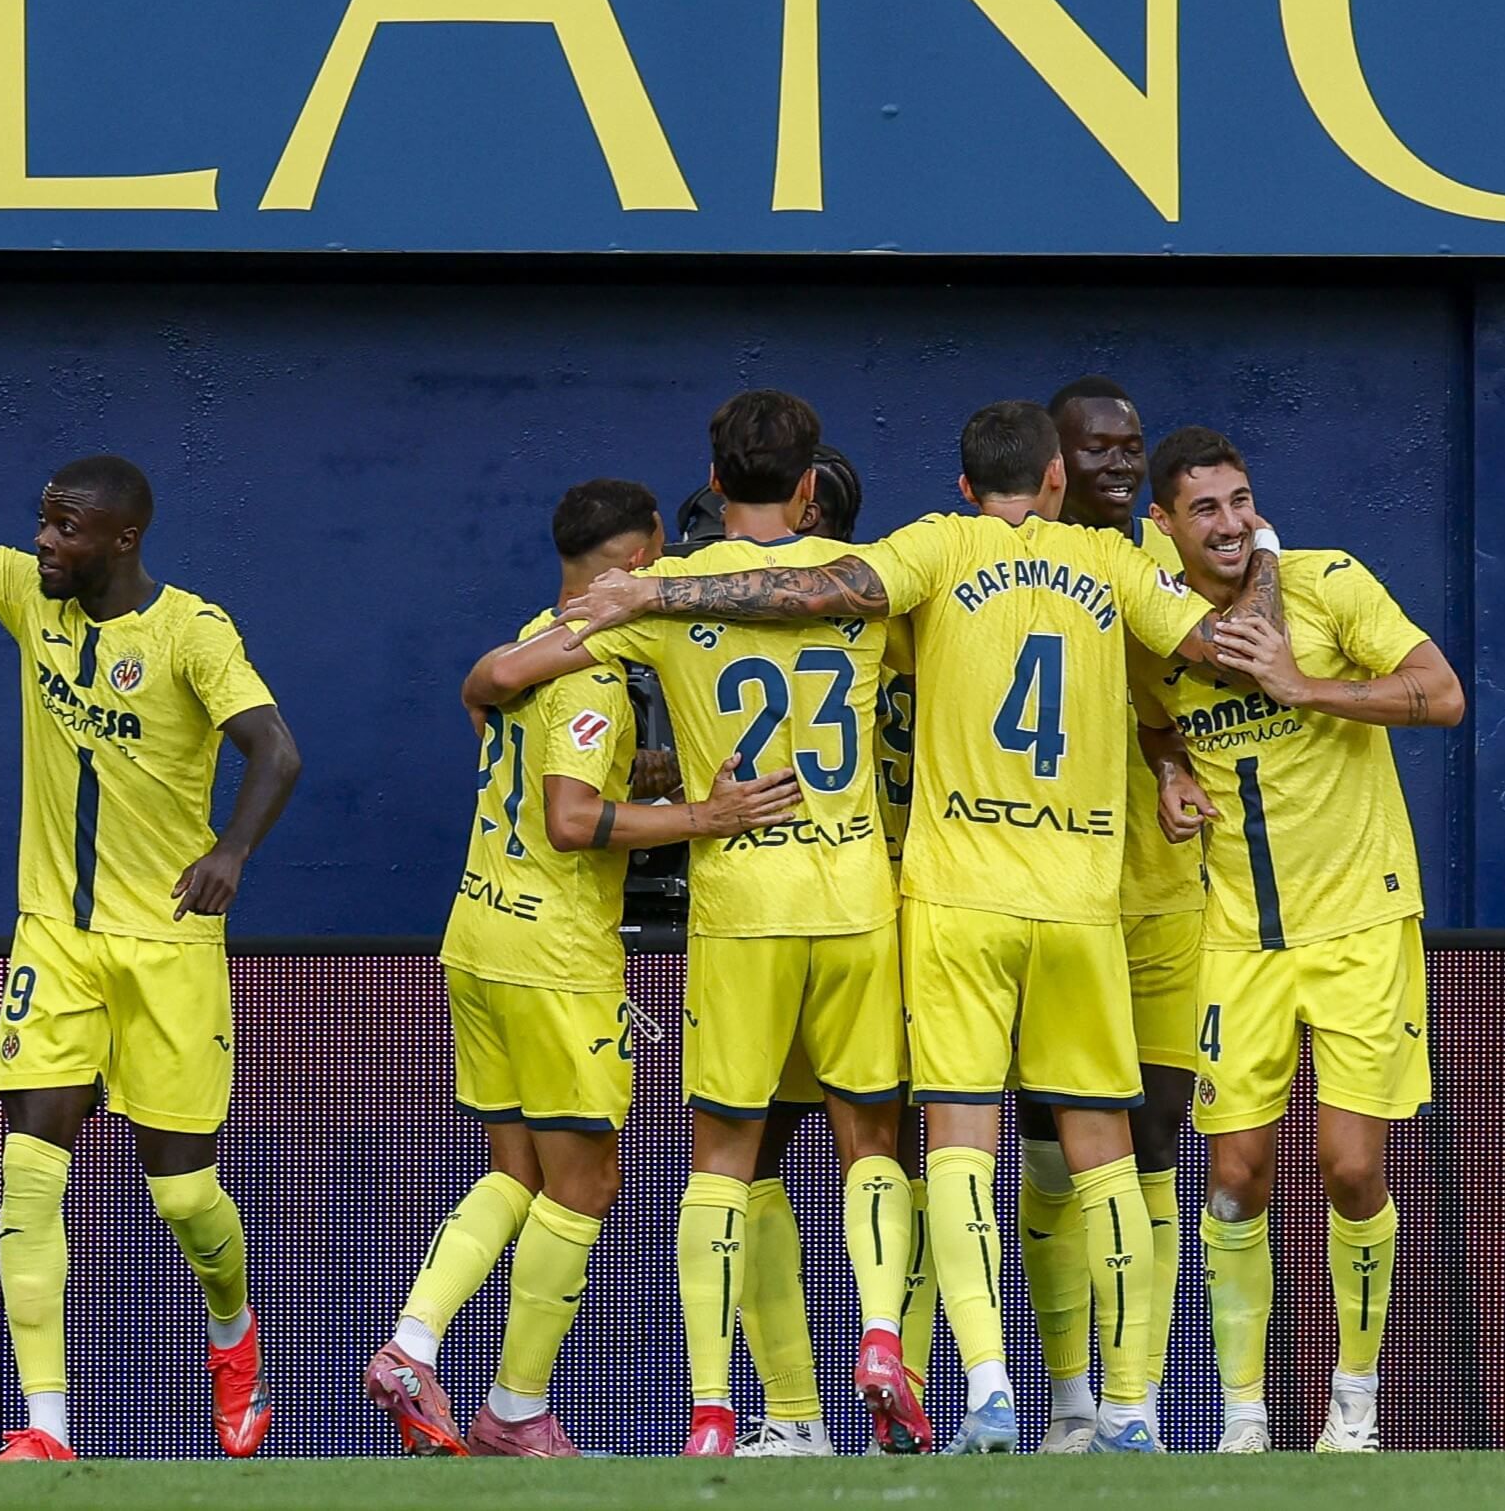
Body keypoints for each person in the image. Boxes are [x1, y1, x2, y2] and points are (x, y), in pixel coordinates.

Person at [561, 399, 1264, 1454]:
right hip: (1075, 899)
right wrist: (1258, 555)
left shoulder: (932, 550)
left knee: (955, 1146)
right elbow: (1225, 643)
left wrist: (655, 588)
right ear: (1058, 479)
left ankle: (982, 1387)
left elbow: (813, 589)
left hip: (941, 899)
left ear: (964, 485)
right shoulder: (1113, 564)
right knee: (1104, 1155)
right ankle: (1129, 1410)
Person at [0, 299, 305, 1463]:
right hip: (54, 938)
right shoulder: (26, 598)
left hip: (167, 945)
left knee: (183, 1200)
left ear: (120, 539)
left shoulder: (194, 633)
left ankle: (233, 1330)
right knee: (28, 1175)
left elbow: (275, 750)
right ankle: (46, 1427)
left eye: (64, 528)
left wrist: (230, 852)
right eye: (42, 523)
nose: (42, 541)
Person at [466, 392, 924, 1457]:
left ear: (714, 484)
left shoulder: (658, 593)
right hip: (855, 895)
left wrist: (483, 689)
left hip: (742, 903)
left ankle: (717, 1410)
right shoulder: (866, 583)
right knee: (872, 1143)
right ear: (810, 486)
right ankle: (881, 1337)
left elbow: (506, 672)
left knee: (724, 1157)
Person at [363, 480, 800, 1457]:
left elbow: (505, 727)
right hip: (554, 956)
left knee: (516, 1172)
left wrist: (639, 779)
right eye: (662, 556)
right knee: (588, 1181)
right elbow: (568, 820)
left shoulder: (530, 642)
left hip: (477, 934)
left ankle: (414, 1343)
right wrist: (703, 817)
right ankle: (513, 1409)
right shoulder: (600, 672)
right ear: (636, 561)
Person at [1132, 426, 1465, 1454]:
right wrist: (1168, 772)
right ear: (1163, 523)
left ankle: (1354, 1400)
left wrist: (1306, 687)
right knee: (1235, 1177)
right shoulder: (1159, 622)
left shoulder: (1327, 584)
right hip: (1236, 937)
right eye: (1204, 508)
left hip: (1361, 922)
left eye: (1240, 501)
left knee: (1349, 1167)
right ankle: (1242, 1415)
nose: (1229, 523)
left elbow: (1443, 694)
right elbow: (1151, 717)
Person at [726, 452, 946, 1459]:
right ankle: (902, 1388)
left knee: (750, 1158)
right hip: (888, 915)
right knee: (899, 1157)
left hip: (782, 905)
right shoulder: (907, 622)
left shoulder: (742, 619)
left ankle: (792, 1412)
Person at [1016, 377, 1206, 1450]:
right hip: (1061, 897)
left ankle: (1138, 1400)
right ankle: (1068, 1397)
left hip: (1168, 891)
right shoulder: (1015, 571)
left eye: (1132, 445)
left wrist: (1172, 760)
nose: (1122, 462)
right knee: (1052, 1152)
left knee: (1154, 1140)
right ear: (1053, 462)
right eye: (1098, 448)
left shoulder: (1173, 565)